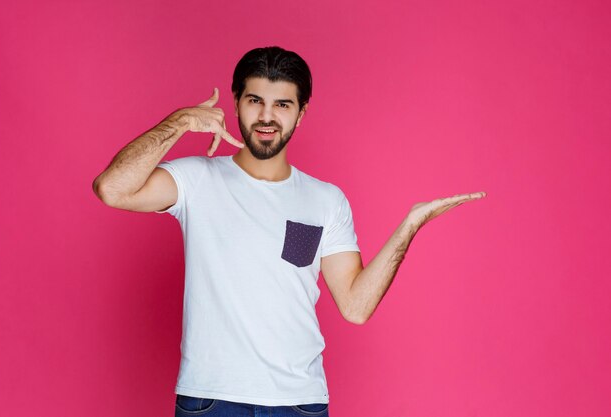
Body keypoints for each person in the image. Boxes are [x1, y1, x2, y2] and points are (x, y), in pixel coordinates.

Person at [92, 46, 486, 417]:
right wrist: (179, 122)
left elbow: (356, 306)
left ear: (301, 113)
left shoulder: (324, 200)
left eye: (282, 104)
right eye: (255, 101)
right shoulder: (197, 179)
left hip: (300, 402)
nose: (267, 116)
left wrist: (410, 225)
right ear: (236, 103)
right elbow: (112, 189)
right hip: (211, 400)